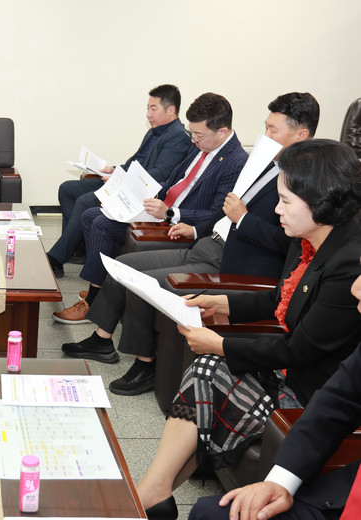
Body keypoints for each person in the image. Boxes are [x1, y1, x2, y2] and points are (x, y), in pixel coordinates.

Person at [134, 139, 361, 520]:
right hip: (289, 370)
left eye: (285, 201)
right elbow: (283, 295)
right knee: (206, 370)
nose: (276, 210)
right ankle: (155, 492)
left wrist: (221, 344)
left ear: (322, 201)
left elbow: (299, 350)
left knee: (211, 366)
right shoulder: (309, 239)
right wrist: (223, 303)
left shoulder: (349, 263)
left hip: (310, 394)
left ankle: (151, 495)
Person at [62, 93, 319, 397]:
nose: (265, 136)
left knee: (143, 282)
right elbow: (223, 211)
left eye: (273, 130)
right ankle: (102, 340)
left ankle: (145, 365)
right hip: (208, 243)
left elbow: (289, 244)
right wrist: (197, 228)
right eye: (265, 127)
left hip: (230, 262)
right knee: (124, 267)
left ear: (301, 134)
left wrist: (244, 219)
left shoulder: (304, 183)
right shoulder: (266, 166)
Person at [53, 93, 248, 324]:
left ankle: (93, 302)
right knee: (90, 214)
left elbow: (216, 213)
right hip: (161, 209)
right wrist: (145, 193)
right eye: (192, 132)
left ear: (222, 132)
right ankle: (103, 289)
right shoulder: (202, 145)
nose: (193, 139)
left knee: (102, 224)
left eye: (199, 135)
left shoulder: (236, 162)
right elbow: (176, 180)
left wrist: (171, 213)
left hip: (179, 223)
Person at [189, 325, 361, 520]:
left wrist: (222, 345)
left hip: (297, 395)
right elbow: (337, 403)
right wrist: (279, 482)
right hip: (350, 493)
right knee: (210, 513)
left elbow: (297, 349)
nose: (355, 297)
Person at [47, 84, 192, 278]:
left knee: (84, 201)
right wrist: (114, 170)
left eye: (153, 108)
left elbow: (160, 174)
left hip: (140, 193)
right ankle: (77, 248)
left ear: (171, 110)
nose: (148, 114)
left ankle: (56, 258)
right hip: (126, 183)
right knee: (67, 189)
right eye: (147, 108)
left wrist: (121, 179)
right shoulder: (154, 131)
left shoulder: (177, 137)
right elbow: (136, 162)